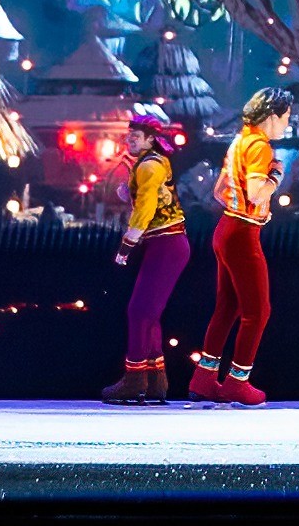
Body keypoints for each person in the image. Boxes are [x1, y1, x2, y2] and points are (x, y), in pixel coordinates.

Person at [190, 87, 293, 406]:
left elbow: (220, 191)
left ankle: (204, 379)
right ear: (272, 116)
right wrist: (276, 177)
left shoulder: (240, 140)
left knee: (228, 306)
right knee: (258, 311)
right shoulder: (260, 146)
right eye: (285, 118)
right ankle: (238, 380)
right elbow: (255, 193)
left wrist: (250, 209)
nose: (286, 125)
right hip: (242, 235)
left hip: (227, 228)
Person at [101, 104, 190, 406]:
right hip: (164, 243)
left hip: (166, 243)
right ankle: (154, 381)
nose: (131, 142)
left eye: (136, 137)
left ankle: (135, 379)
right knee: (147, 313)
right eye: (130, 137)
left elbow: (146, 207)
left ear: (150, 139)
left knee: (139, 312)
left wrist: (128, 244)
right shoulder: (150, 163)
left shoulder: (149, 165)